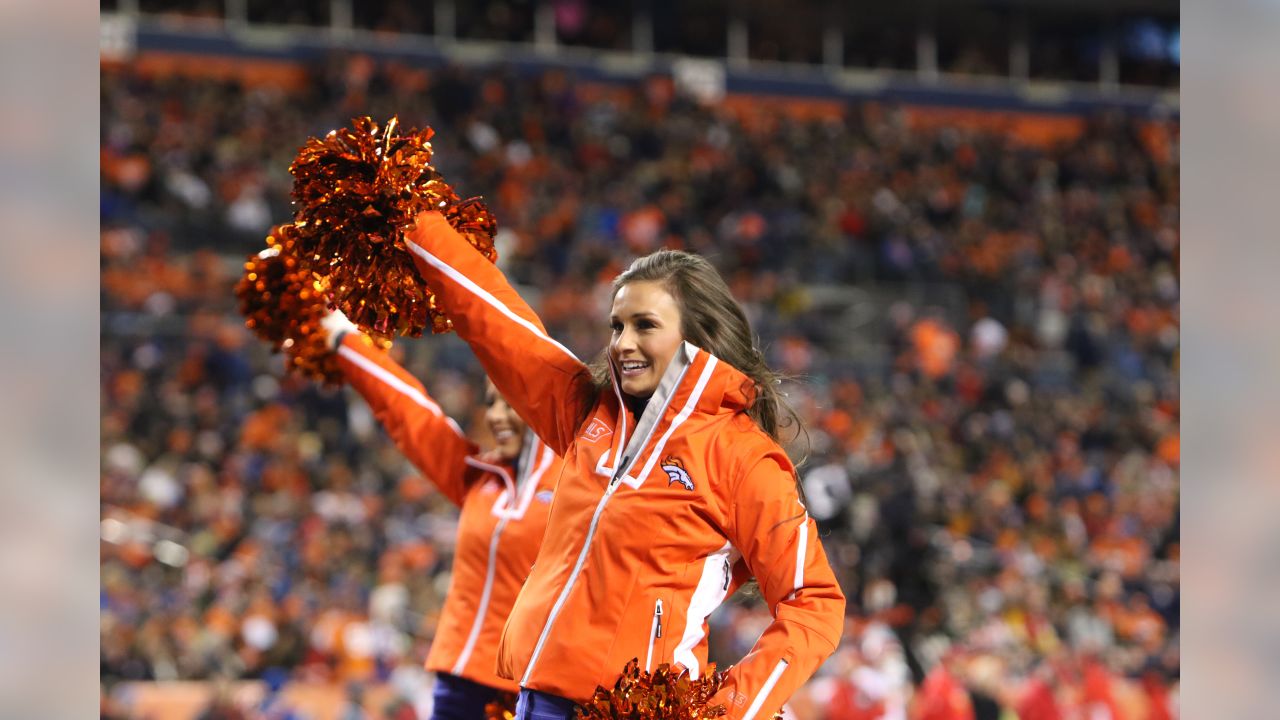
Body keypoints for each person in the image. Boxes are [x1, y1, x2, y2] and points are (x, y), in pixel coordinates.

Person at [399, 211, 846, 720]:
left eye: (645, 325)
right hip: (537, 699)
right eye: (617, 325)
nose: (622, 343)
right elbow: (499, 324)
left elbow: (814, 601)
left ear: (696, 335)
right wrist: (413, 221)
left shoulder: (743, 456)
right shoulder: (589, 415)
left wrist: (727, 710)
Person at [319, 311, 564, 720]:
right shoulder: (477, 478)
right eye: (490, 402)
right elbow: (408, 414)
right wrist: (346, 340)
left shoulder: (578, 484)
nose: (498, 416)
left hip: (533, 692)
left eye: (511, 402)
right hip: (457, 680)